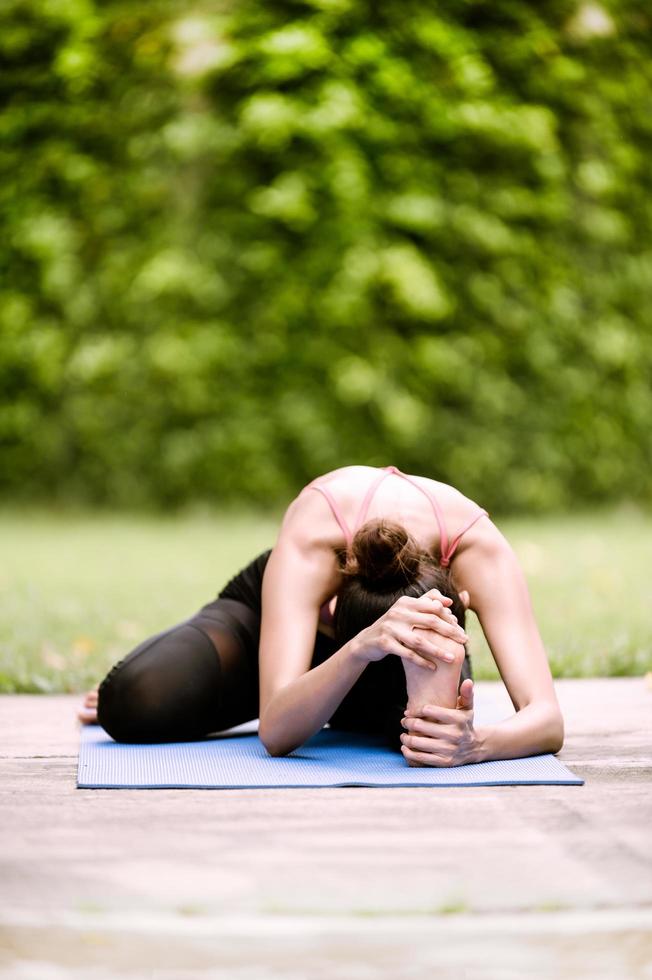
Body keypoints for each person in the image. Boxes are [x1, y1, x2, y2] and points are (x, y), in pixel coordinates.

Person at [78, 464, 564, 767]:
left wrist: (475, 744)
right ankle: (192, 685)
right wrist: (359, 648)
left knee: (422, 739)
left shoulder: (475, 548)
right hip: (286, 629)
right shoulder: (318, 531)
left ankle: (377, 691)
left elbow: (546, 720)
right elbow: (274, 733)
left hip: (409, 660)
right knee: (138, 701)